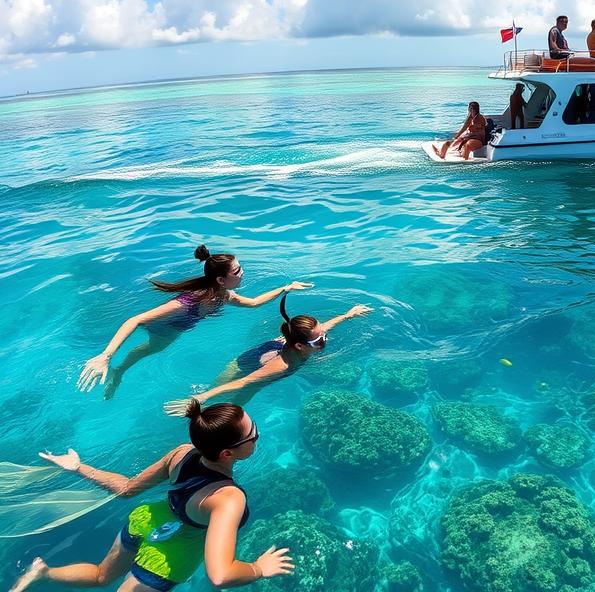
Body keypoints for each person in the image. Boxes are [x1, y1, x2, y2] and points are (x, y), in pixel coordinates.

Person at [10, 402, 292, 592]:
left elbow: (126, 489)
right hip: (172, 553)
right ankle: (43, 573)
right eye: (252, 434)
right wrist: (258, 568)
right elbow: (220, 575)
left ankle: (43, 571)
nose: (257, 435)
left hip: (145, 520)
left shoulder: (181, 453)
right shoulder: (229, 498)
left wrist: (79, 467)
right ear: (227, 454)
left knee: (101, 575)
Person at [77, 244, 312, 396]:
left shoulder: (223, 296)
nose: (242, 273)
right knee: (150, 349)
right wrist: (105, 356)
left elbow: (254, 303)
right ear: (221, 279)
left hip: (177, 327)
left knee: (149, 349)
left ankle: (119, 369)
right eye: (237, 271)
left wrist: (286, 288)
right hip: (165, 328)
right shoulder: (190, 301)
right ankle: (117, 370)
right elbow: (135, 319)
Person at [164, 293, 372, 413]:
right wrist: (202, 396)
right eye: (319, 340)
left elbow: (325, 326)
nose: (325, 340)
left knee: (233, 406)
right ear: (299, 345)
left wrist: (348, 315)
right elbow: (244, 382)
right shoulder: (284, 365)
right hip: (243, 367)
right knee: (233, 399)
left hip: (256, 361)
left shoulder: (296, 337)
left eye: (323, 335)